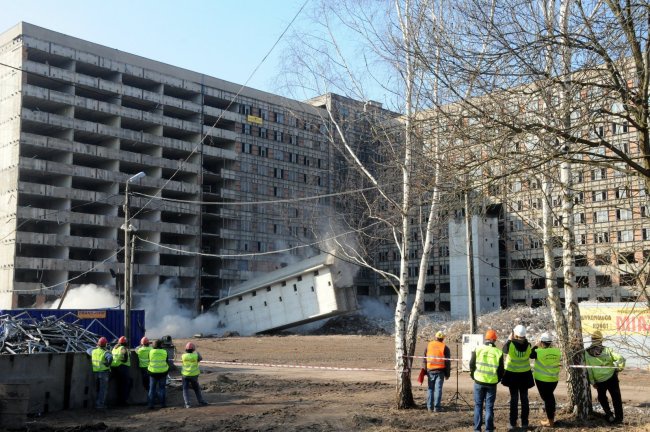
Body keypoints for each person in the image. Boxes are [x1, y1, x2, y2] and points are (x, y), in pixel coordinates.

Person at [584, 330, 626, 424]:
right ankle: (619, 419)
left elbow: (589, 369)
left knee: (602, 398)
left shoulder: (586, 353)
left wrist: (592, 382)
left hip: (599, 381)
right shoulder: (607, 350)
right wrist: (619, 368)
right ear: (601, 340)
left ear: (591, 340)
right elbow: (621, 358)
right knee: (616, 399)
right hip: (612, 378)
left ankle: (609, 415)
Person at [470, 329, 504, 432]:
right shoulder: (498, 352)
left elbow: (471, 364)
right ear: (494, 340)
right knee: (489, 407)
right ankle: (489, 430)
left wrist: (473, 375)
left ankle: (477, 429)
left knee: (478, 406)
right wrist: (497, 379)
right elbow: (501, 370)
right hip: (492, 383)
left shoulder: (478, 349)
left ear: (486, 339)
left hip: (478, 381)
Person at [501, 324, 535, 431]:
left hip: (512, 375)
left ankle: (512, 423)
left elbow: (504, 350)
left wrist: (509, 338)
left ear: (514, 334)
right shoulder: (528, 345)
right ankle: (524, 422)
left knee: (514, 399)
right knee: (524, 399)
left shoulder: (510, 344)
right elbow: (530, 354)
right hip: (525, 375)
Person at [531, 332, 561, 427]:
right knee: (549, 398)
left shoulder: (538, 351)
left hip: (542, 380)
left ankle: (550, 421)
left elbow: (530, 354)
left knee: (548, 399)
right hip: (553, 379)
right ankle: (551, 418)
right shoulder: (557, 351)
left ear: (542, 342)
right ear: (550, 342)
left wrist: (536, 345)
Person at [422, 330, 451, 413]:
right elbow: (447, 362)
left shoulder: (429, 345)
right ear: (443, 338)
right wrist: (447, 374)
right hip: (440, 371)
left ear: (435, 337)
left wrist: (424, 370)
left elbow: (424, 358)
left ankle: (429, 407)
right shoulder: (445, 347)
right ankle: (437, 408)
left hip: (430, 371)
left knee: (430, 389)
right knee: (438, 389)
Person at [87, 337, 113, 409]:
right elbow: (110, 358)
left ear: (98, 344)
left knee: (97, 388)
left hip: (95, 372)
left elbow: (88, 350)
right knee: (103, 389)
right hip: (104, 372)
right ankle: (100, 404)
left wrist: (96, 347)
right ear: (105, 345)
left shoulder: (93, 351)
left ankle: (95, 403)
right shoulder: (105, 352)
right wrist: (108, 364)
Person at [181, 342, 209, 408]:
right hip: (194, 375)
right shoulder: (196, 355)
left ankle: (187, 404)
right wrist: (196, 351)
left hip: (185, 375)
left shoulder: (183, 356)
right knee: (196, 389)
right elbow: (200, 358)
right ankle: (201, 401)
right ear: (193, 349)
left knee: (185, 389)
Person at [148, 339, 171, 409]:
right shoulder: (165, 352)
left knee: (152, 389)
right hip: (163, 373)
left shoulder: (150, 352)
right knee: (162, 388)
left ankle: (151, 405)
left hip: (152, 372)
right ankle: (163, 404)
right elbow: (167, 362)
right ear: (161, 345)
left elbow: (149, 360)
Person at [110, 335, 132, 406]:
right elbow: (125, 359)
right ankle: (123, 401)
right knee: (125, 385)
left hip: (115, 368)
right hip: (122, 368)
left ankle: (119, 401)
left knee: (119, 385)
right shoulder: (123, 348)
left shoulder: (114, 348)